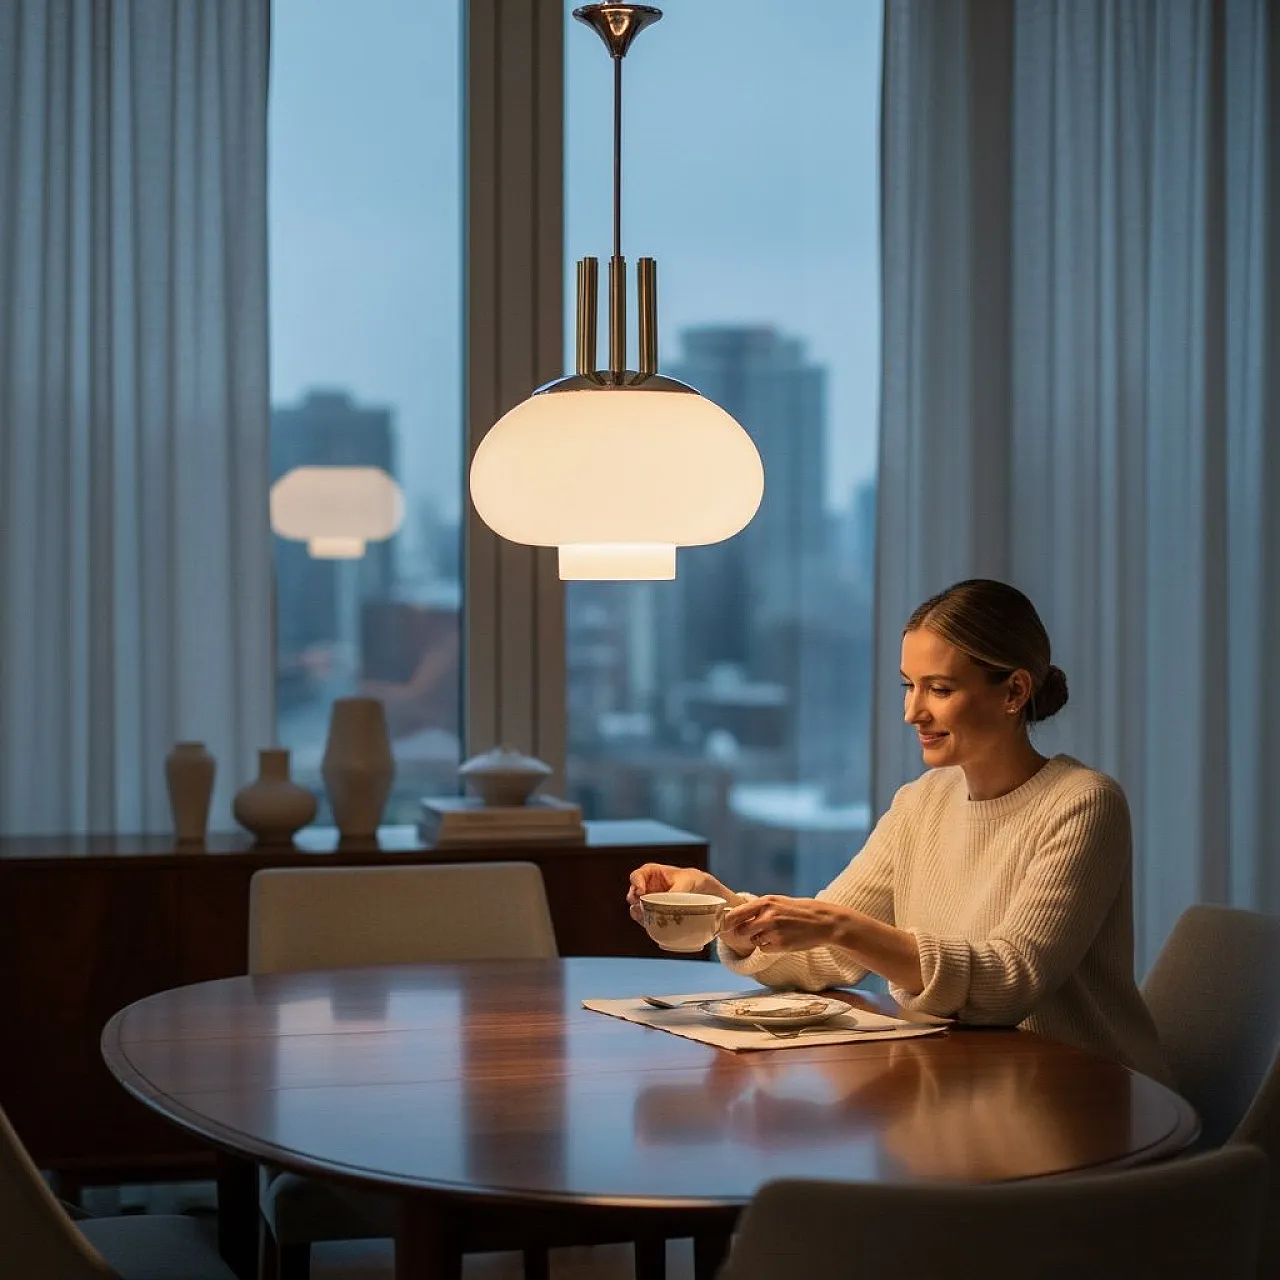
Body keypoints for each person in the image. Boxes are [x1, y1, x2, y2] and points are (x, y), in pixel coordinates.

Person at [627, 578, 1171, 1084]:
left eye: (938, 688)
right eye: (909, 686)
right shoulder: (922, 802)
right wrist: (719, 907)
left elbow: (1010, 984)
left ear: (1014, 692)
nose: (913, 712)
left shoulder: (1082, 803)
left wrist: (839, 926)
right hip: (962, 1084)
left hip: (1080, 1094)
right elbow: (822, 957)